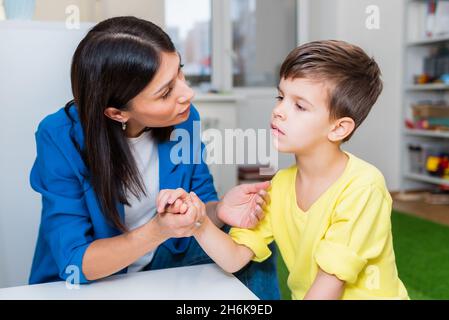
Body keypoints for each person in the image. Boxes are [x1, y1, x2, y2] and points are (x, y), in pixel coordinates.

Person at [29, 16, 279, 300]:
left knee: (254, 236)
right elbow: (75, 260)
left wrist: (218, 209)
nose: (188, 93)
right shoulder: (59, 137)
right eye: (166, 92)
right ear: (117, 113)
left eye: (180, 72)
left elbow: (200, 197)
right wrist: (157, 230)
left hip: (166, 257)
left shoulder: (185, 119)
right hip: (96, 276)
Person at [166, 40, 409, 300]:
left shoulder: (363, 186)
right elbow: (234, 259)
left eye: (300, 106)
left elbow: (329, 286)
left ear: (339, 128)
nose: (278, 111)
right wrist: (198, 222)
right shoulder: (280, 185)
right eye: (281, 97)